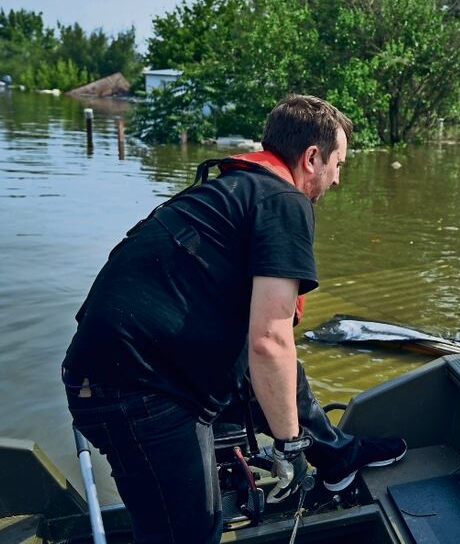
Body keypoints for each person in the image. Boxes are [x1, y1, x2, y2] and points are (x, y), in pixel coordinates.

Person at [62, 94, 406, 543]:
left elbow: (262, 351)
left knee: (271, 375)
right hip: (136, 391)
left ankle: (338, 458)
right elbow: (271, 340)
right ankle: (318, 453)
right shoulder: (285, 200)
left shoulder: (232, 189)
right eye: (338, 164)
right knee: (191, 533)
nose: (337, 180)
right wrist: (289, 447)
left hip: (119, 369)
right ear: (312, 157)